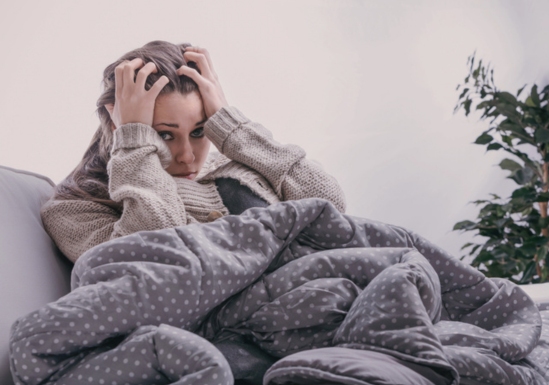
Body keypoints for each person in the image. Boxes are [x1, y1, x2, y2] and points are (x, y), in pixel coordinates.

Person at [41, 40, 346, 263]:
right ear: (117, 120)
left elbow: (332, 206)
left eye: (199, 131)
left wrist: (233, 125)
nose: (187, 156)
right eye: (163, 134)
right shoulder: (75, 208)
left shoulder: (237, 161)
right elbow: (155, 259)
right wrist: (134, 140)